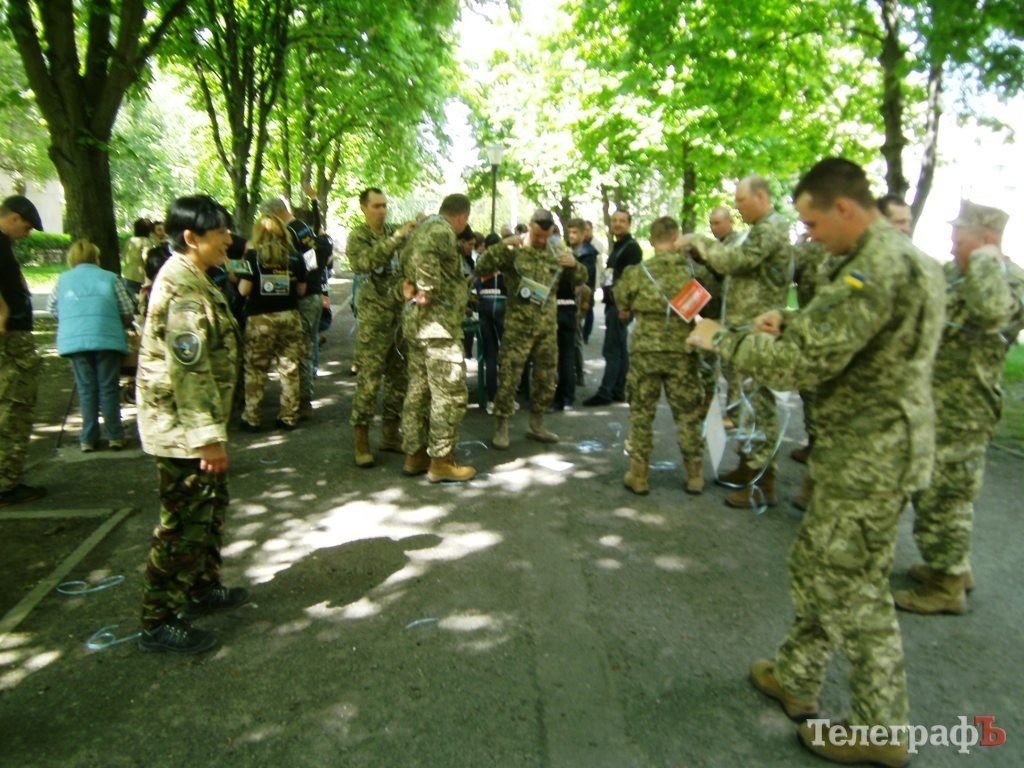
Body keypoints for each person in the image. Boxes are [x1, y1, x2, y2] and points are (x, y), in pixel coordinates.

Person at [688, 158, 944, 766]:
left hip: (871, 456)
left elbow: (800, 366)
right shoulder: (898, 260)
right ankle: (796, 675)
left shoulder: (875, 269)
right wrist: (792, 317)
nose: (809, 236)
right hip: (866, 449)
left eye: (812, 222)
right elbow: (858, 328)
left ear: (844, 208)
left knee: (855, 588)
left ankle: (881, 730)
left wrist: (722, 338)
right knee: (817, 564)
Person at [893, 201, 1024, 615]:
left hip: (964, 410)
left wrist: (986, 260)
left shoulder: (1010, 281)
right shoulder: (955, 273)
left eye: (960, 241)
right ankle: (951, 566)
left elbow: (990, 311)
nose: (952, 249)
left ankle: (947, 584)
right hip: (933, 401)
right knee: (933, 490)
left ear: (987, 242)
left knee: (944, 496)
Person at [136, 195, 247, 654]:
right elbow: (189, 369)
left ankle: (201, 587)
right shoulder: (182, 286)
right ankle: (158, 620)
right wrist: (206, 439)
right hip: (182, 431)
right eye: (219, 232)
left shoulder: (196, 276)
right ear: (191, 238)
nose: (228, 239)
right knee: (183, 526)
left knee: (209, 512)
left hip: (195, 427)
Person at [681, 176, 792, 507]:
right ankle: (749, 464)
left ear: (761, 197)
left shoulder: (771, 229)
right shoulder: (758, 230)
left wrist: (699, 241)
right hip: (743, 331)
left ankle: (762, 480)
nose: (738, 207)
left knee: (757, 404)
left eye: (741, 201)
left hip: (757, 334)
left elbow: (736, 262)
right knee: (746, 401)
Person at [615, 216, 721, 495]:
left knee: (641, 413)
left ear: (651, 240)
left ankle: (638, 475)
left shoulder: (636, 273)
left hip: (645, 352)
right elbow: (712, 308)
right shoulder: (695, 272)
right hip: (682, 351)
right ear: (677, 238)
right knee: (687, 414)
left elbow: (621, 303)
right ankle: (694, 475)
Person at [476, 208, 586, 448]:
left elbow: (581, 279)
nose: (541, 241)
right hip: (518, 328)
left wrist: (574, 265)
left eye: (546, 237)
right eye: (537, 236)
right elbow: (481, 267)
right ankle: (502, 426)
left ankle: (537, 424)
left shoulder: (557, 251)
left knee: (546, 378)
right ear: (529, 227)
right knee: (509, 378)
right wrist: (503, 244)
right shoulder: (513, 250)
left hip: (546, 329)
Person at [399, 194, 476, 483]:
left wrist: (416, 289)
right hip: (438, 327)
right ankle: (441, 461)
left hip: (420, 326)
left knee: (419, 391)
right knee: (448, 394)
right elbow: (426, 259)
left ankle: (415, 454)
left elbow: (404, 261)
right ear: (462, 217)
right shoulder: (441, 230)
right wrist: (428, 291)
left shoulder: (421, 228)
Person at [345, 187, 414, 467]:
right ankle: (361, 442)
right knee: (369, 381)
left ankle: (390, 434)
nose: (382, 210)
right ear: (364, 208)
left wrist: (417, 225)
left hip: (399, 317)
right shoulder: (359, 236)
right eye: (376, 206)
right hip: (374, 321)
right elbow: (364, 263)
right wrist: (396, 239)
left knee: (399, 380)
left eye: (385, 205)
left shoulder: (395, 232)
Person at [48, 239, 133, 452]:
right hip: (107, 337)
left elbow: (52, 308)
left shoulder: (63, 280)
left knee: (86, 389)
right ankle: (115, 436)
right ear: (96, 258)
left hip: (76, 340)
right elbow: (126, 309)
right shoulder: (110, 278)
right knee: (109, 387)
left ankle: (88, 438)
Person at [236, 215, 307, 431]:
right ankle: (288, 416)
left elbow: (243, 290)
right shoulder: (296, 258)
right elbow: (302, 290)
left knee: (255, 369)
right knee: (290, 369)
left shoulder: (251, 256)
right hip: (290, 317)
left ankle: (252, 417)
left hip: (260, 319)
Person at [0, 195, 46, 508]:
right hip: (11, 339)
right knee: (14, 408)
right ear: (14, 217)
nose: (26, 234)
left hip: (13, 335)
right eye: (27, 227)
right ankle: (5, 484)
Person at [262, 196, 319, 419]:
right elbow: (313, 263)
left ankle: (303, 400)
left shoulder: (291, 232)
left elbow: (301, 266)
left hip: (304, 296)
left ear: (274, 214)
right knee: (307, 346)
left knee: (302, 349)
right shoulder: (302, 228)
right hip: (312, 293)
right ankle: (302, 398)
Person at [583, 209, 643, 406]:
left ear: (629, 224)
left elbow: (633, 281)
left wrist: (626, 307)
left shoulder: (632, 249)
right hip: (613, 303)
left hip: (620, 305)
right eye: (615, 220)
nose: (617, 224)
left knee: (612, 349)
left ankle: (606, 391)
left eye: (622, 221)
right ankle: (618, 389)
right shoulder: (619, 246)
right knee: (620, 348)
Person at [475, 232, 506, 409]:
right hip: (502, 303)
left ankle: (492, 399)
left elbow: (476, 281)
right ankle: (506, 397)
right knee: (506, 351)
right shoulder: (504, 259)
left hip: (484, 304)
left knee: (490, 353)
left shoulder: (481, 260)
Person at [566, 218, 597, 382]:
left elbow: (587, 278)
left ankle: (579, 372)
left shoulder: (588, 253)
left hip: (580, 298)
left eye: (575, 232)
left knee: (575, 336)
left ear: (583, 233)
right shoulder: (568, 249)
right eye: (569, 232)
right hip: (568, 296)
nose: (571, 235)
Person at [121, 218, 153, 299]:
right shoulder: (146, 241)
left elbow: (124, 256)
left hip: (126, 276)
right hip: (139, 279)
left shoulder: (129, 240)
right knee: (140, 302)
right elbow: (147, 259)